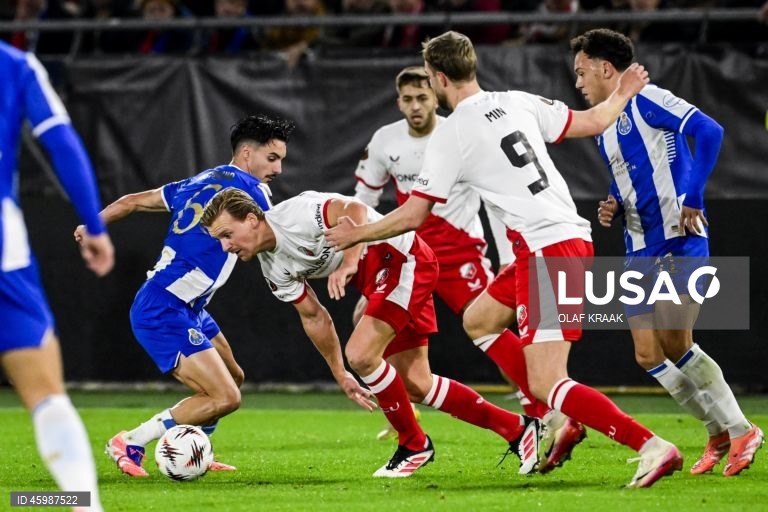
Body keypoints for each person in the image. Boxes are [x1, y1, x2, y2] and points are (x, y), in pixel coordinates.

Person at [325, 30, 682, 488]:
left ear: (437, 78)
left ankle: (650, 445)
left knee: (548, 381)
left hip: (550, 250)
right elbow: (593, 121)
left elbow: (413, 214)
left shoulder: (451, 134)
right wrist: (625, 90)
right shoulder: (518, 100)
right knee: (479, 320)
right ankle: (558, 419)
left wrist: (358, 234)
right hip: (547, 245)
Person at [201, 188, 543, 478]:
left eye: (226, 235)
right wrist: (339, 374)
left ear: (250, 218)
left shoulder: (295, 215)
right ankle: (517, 429)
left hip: (401, 256)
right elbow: (314, 317)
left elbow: (353, 210)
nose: (225, 246)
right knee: (415, 384)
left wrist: (350, 262)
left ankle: (413, 445)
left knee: (362, 354)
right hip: (382, 275)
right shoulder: (273, 269)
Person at [353, 65, 584, 472]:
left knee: (491, 327)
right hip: (410, 255)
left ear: (435, 93)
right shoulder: (385, 141)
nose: (415, 106)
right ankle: (404, 415)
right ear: (398, 102)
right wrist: (365, 260)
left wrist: (505, 256)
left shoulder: (458, 132)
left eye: (422, 97)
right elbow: (363, 200)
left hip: (461, 254)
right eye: (407, 99)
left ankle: (539, 407)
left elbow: (494, 194)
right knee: (370, 328)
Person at [570, 28, 763, 477]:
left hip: (679, 236)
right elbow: (630, 177)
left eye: (581, 73)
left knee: (678, 342)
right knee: (646, 354)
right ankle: (717, 432)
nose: (578, 83)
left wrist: (692, 196)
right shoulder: (604, 126)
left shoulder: (648, 97)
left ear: (605, 68)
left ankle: (742, 429)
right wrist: (613, 205)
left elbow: (710, 131)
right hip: (638, 245)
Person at [74, 114, 294, 477]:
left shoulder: (194, 182)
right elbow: (277, 239)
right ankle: (130, 440)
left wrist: (92, 225)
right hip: (164, 308)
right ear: (245, 154)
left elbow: (131, 201)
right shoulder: (249, 192)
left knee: (233, 377)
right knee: (226, 397)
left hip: (188, 307)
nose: (279, 169)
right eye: (272, 158)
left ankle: (198, 449)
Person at [1, 41, 113, 512]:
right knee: (46, 394)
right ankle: (81, 506)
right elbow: (61, 140)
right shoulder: (15, 64)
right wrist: (95, 223)